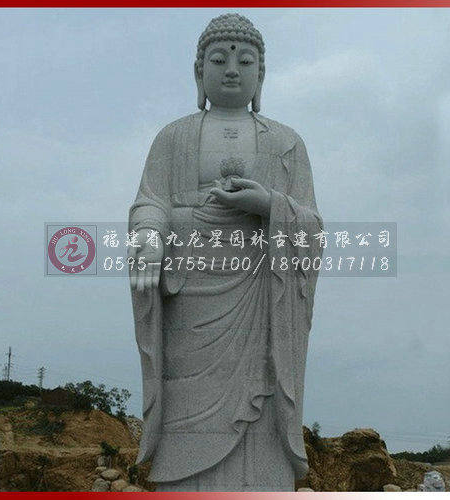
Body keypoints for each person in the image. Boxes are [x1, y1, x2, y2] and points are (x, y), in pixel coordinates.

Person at [128, 13, 323, 491]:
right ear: (199, 73)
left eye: (245, 61)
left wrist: (269, 205)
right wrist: (149, 237)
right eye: (218, 60)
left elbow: (313, 228)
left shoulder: (286, 143)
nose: (232, 70)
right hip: (188, 291)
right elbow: (149, 202)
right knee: (186, 402)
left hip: (262, 291)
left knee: (261, 399)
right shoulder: (173, 137)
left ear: (261, 74)